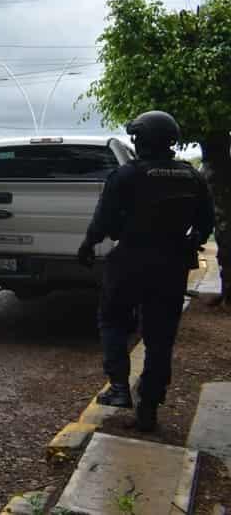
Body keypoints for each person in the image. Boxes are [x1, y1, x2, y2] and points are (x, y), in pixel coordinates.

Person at [78, 110, 214, 432]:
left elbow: (104, 221)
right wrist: (189, 242)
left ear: (141, 140)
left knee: (112, 320)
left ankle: (119, 387)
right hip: (171, 264)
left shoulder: (127, 175)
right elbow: (205, 222)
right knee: (159, 338)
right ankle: (149, 408)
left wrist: (88, 244)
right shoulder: (191, 176)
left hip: (130, 260)